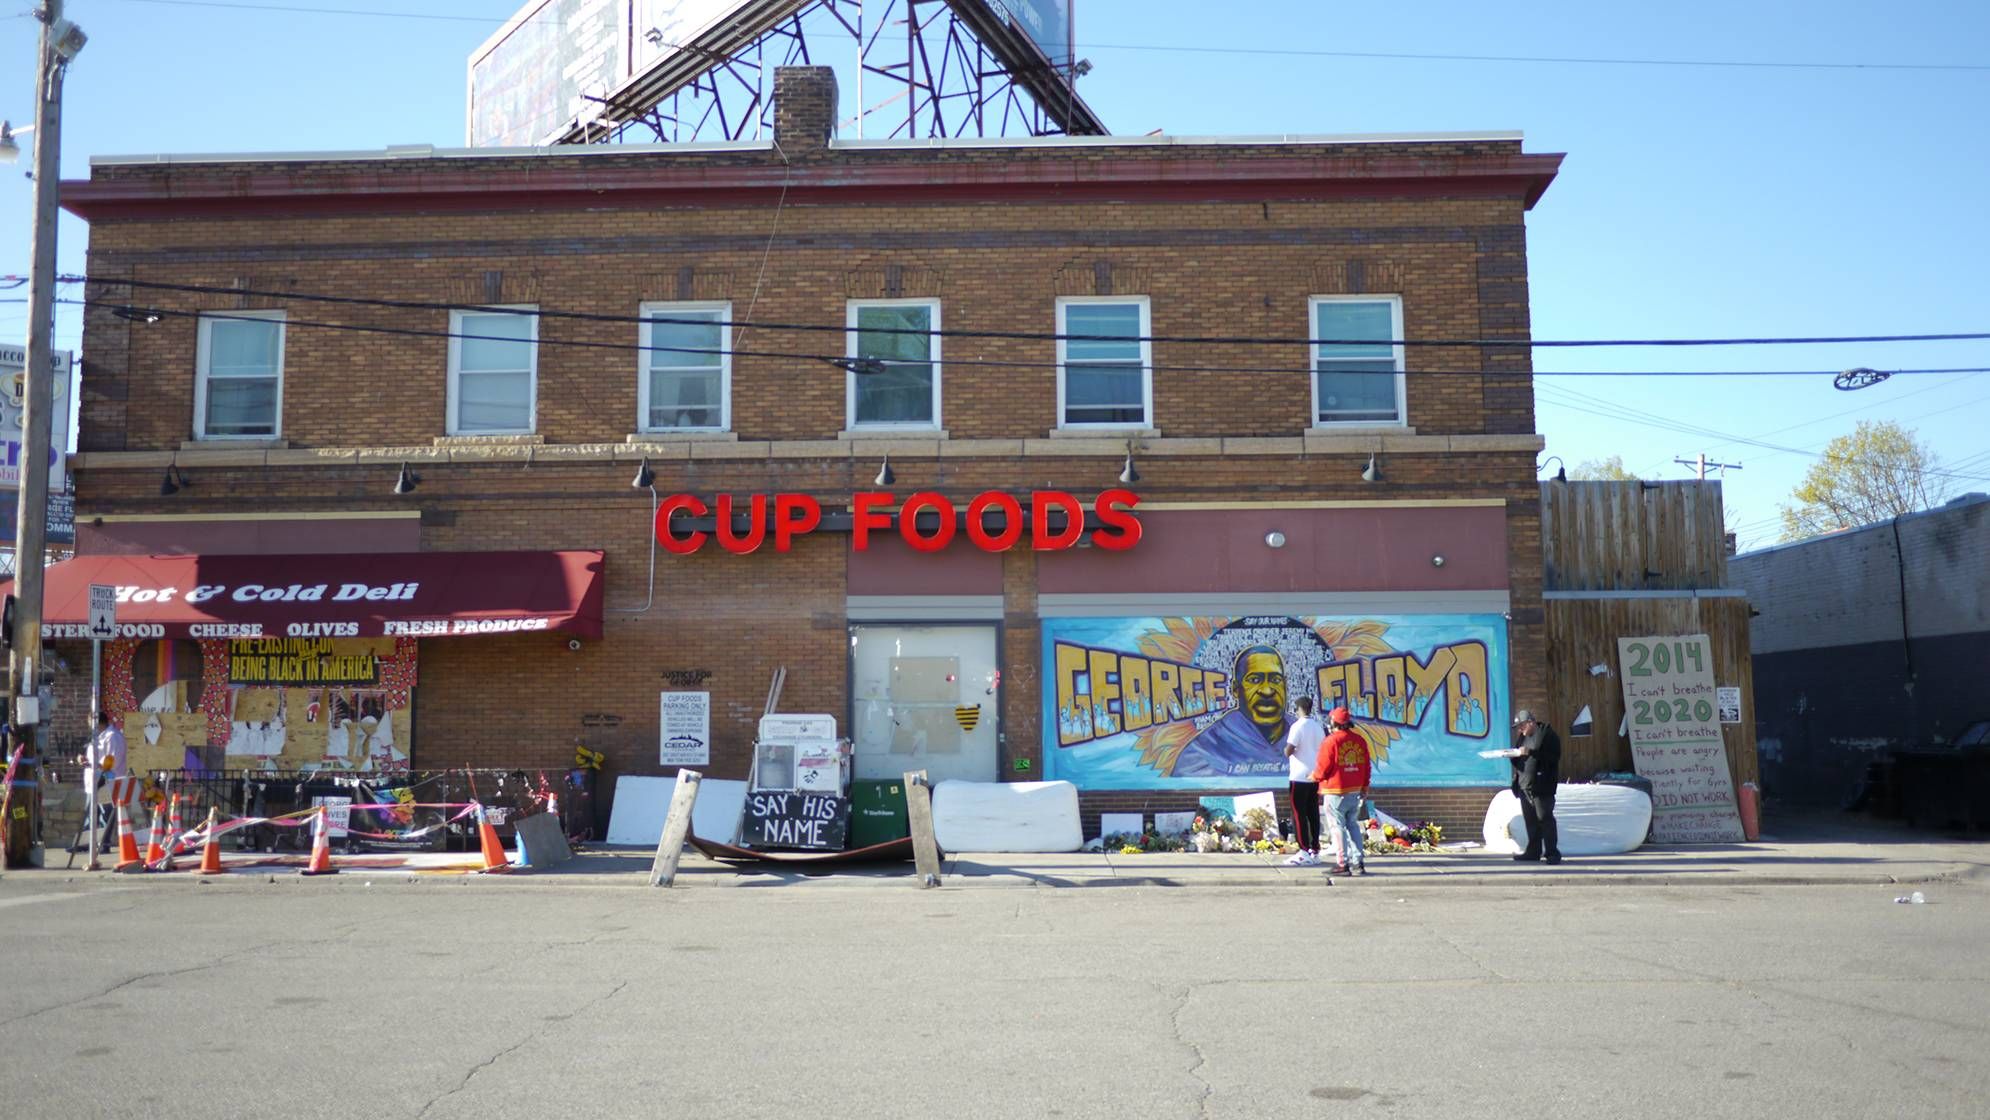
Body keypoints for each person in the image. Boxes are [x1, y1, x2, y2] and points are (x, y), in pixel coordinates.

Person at [1170, 645, 1292, 779]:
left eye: (1276, 680)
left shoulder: (1305, 733)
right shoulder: (1204, 751)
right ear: (1235, 690)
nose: (1267, 691)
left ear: (1285, 686)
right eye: (1254, 680)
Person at [1312, 706, 1371, 875]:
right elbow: (1366, 766)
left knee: (1337, 827)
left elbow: (1323, 768)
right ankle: (1358, 862)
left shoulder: (1330, 741)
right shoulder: (1360, 741)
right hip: (1355, 790)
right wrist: (1365, 787)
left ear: (1333, 722)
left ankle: (1342, 863)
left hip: (1335, 791)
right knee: (1353, 825)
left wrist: (1314, 777)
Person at [1510, 709, 1562, 864]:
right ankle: (1533, 851)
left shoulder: (1547, 735)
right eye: (1518, 727)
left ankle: (1552, 853)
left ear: (1530, 722)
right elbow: (1519, 758)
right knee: (1530, 821)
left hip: (1541, 786)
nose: (1520, 730)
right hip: (1525, 786)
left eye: (1521, 726)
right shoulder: (1522, 738)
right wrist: (1512, 755)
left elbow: (1553, 758)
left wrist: (1531, 752)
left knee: (1545, 819)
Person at [1281, 697, 1326, 867]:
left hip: (1299, 776)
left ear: (1298, 708)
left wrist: (1286, 750)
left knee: (1298, 813)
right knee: (1313, 812)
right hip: (1314, 775)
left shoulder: (1297, 726)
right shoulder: (1318, 727)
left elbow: (1289, 750)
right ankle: (1315, 850)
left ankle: (1303, 851)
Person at [76, 710, 126, 854]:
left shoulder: (112, 737)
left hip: (106, 782)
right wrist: (84, 760)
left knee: (105, 814)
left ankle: (104, 843)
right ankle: (86, 843)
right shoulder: (97, 738)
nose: (90, 728)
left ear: (98, 723)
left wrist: (90, 763)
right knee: (90, 814)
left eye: (91, 724)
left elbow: (111, 763)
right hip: (93, 782)